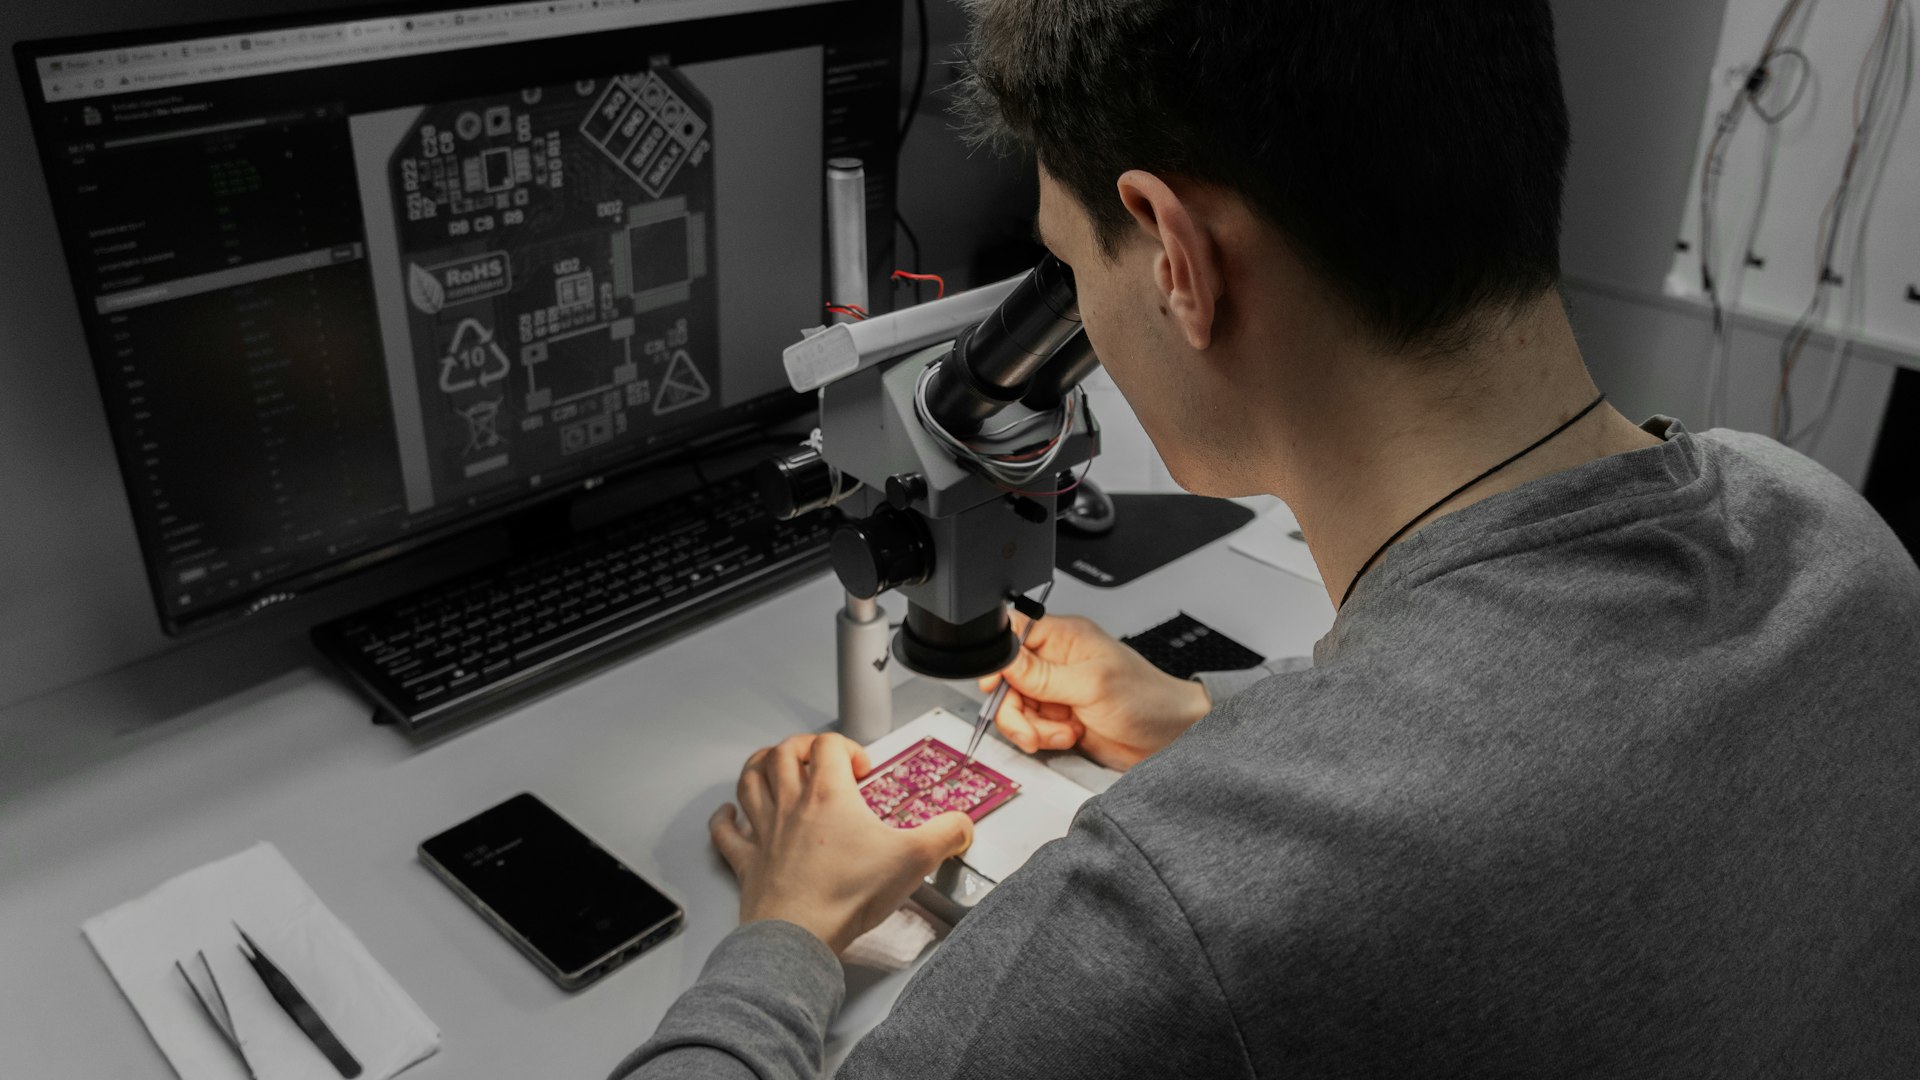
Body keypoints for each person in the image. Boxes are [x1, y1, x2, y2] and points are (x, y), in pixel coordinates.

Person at [614, 2, 1920, 1076]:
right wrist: (1223, 723)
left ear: (1177, 257)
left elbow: (1352, 862)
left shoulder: (1202, 895)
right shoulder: (1837, 539)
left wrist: (784, 928)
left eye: (1069, 267)